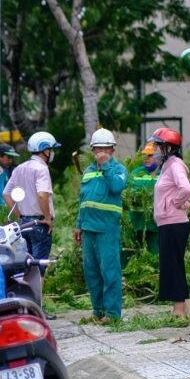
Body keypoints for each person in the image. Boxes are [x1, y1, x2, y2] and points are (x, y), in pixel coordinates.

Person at [74, 129, 127, 323]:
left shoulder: (119, 170)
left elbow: (116, 187)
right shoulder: (88, 172)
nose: (101, 152)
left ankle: (112, 314)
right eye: (98, 148)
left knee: (110, 271)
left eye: (105, 148)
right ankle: (98, 310)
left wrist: (106, 167)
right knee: (92, 272)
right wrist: (79, 225)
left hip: (107, 228)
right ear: (93, 150)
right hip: (88, 228)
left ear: (112, 150)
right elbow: (83, 200)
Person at [150, 127, 190, 320]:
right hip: (169, 222)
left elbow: (185, 188)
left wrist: (174, 203)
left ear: (168, 148)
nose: (156, 150)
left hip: (174, 222)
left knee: (172, 266)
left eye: (158, 146)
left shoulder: (175, 165)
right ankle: (187, 310)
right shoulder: (168, 166)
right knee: (175, 264)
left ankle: (178, 312)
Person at [4, 132, 61, 271]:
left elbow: (6, 194)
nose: (52, 152)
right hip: (40, 224)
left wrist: (19, 214)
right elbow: (42, 195)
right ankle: (37, 293)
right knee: (39, 268)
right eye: (51, 149)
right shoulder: (41, 169)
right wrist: (47, 218)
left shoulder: (19, 168)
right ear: (45, 150)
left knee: (25, 266)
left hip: (24, 224)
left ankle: (25, 292)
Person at [127, 142, 161, 255]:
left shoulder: (164, 174)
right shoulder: (136, 173)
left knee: (154, 255)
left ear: (158, 157)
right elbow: (126, 193)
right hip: (135, 223)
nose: (146, 158)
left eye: (150, 155)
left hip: (155, 225)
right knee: (133, 254)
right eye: (145, 155)